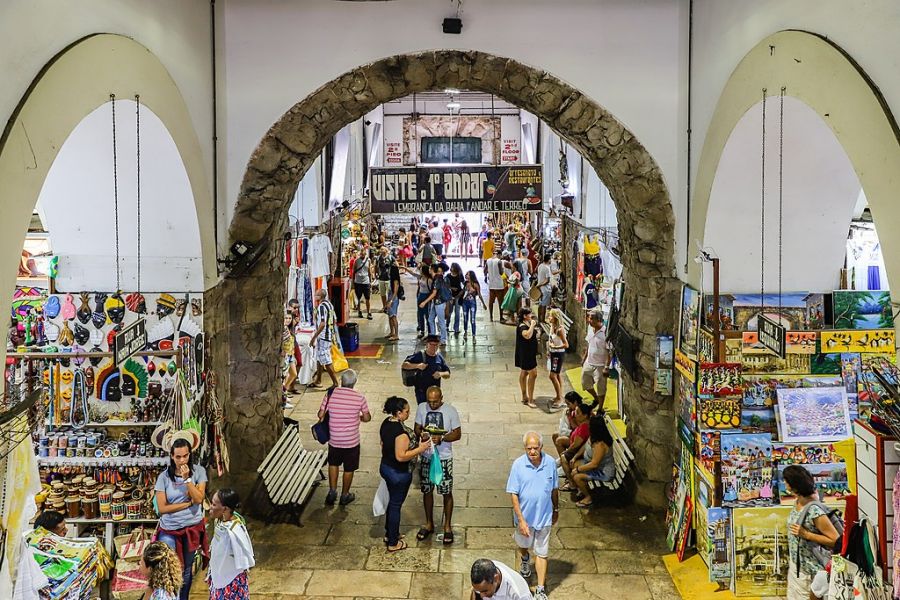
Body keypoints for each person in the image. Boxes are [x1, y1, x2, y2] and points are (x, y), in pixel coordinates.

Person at [506, 431, 559, 600]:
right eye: (529, 448)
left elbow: (554, 489)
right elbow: (514, 494)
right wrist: (521, 520)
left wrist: (556, 509)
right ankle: (525, 557)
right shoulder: (518, 465)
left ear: (541, 447)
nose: (532, 452)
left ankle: (541, 589)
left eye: (535, 448)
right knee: (523, 544)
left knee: (542, 552)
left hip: (544, 516)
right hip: (525, 519)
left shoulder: (550, 463)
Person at [155, 438, 208, 600]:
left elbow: (199, 499)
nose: (182, 460)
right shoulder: (163, 478)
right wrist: (187, 504)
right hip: (169, 530)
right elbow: (162, 508)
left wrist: (187, 480)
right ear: (171, 456)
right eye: (178, 457)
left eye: (185, 456)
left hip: (192, 528)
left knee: (186, 569)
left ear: (190, 455)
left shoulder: (199, 472)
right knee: (171, 568)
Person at [379, 396, 434, 552]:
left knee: (392, 502)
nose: (409, 414)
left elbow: (383, 444)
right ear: (398, 413)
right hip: (399, 473)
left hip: (386, 467)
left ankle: (390, 533)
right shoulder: (401, 433)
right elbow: (401, 456)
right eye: (406, 411)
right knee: (396, 505)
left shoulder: (386, 423)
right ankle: (393, 543)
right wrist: (420, 448)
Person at [413, 386, 462, 545]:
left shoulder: (451, 411)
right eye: (430, 402)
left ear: (442, 398)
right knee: (427, 490)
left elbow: (457, 433)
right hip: (426, 456)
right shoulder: (421, 408)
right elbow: (416, 427)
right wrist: (422, 434)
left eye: (435, 402)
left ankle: (447, 526)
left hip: (444, 458)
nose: (432, 405)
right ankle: (429, 523)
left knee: (446, 491)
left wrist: (441, 438)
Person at [784, 465, 840, 600]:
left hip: (810, 572)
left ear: (794, 486)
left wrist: (807, 535)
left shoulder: (814, 510)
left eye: (787, 481)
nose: (785, 484)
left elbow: (836, 541)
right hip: (797, 567)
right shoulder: (798, 501)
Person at [318, 369, 371, 506]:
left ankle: (332, 492)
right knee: (349, 468)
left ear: (341, 381)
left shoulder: (330, 394)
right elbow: (367, 418)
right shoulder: (360, 398)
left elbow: (320, 414)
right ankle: (345, 495)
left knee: (333, 464)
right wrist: (358, 416)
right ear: (354, 382)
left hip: (334, 439)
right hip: (351, 441)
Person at [207, 489, 254, 600]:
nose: (210, 507)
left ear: (225, 509)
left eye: (214, 504)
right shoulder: (219, 522)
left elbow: (243, 558)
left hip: (232, 583)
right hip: (218, 579)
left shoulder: (235, 532)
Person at [568, 414, 616, 508]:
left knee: (577, 476)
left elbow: (594, 464)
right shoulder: (594, 436)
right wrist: (575, 456)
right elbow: (586, 446)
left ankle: (588, 498)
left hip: (603, 472)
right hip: (596, 466)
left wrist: (578, 469)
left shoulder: (600, 444)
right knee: (574, 464)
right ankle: (582, 489)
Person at [402, 334, 451, 404]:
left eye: (436, 345)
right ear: (427, 345)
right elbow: (404, 365)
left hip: (435, 392)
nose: (434, 347)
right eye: (431, 345)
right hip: (421, 392)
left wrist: (440, 374)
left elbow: (448, 373)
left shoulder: (439, 357)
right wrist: (417, 365)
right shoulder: (419, 355)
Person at [557, 402, 592, 492]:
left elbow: (577, 444)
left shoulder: (584, 427)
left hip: (581, 451)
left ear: (584, 415)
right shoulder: (584, 423)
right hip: (581, 449)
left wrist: (568, 451)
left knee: (563, 458)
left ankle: (571, 483)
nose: (575, 415)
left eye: (577, 413)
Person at [582, 309, 611, 411]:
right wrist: (584, 358)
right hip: (589, 362)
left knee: (601, 388)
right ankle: (596, 399)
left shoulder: (605, 334)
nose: (589, 320)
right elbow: (588, 345)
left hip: (600, 365)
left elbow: (609, 351)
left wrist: (606, 367)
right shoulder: (590, 330)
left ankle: (600, 408)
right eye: (589, 318)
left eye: (591, 318)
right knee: (585, 383)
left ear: (598, 320)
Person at [309, 289, 339, 389]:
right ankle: (318, 380)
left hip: (323, 337)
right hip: (328, 335)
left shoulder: (322, 307)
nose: (314, 296)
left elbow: (322, 324)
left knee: (326, 360)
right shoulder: (329, 305)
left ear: (320, 297)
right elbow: (334, 320)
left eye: (316, 295)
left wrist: (314, 337)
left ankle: (335, 383)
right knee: (319, 358)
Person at [515, 308, 539, 409]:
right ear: (525, 316)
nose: (532, 315)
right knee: (533, 374)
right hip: (526, 354)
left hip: (529, 352)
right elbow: (527, 336)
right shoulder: (522, 326)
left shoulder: (527, 324)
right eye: (530, 314)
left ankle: (524, 396)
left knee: (524, 372)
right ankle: (530, 399)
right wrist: (533, 325)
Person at [546, 308, 569, 409]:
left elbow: (566, 344)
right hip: (553, 353)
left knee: (552, 376)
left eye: (550, 316)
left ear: (555, 318)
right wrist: (549, 350)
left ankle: (560, 398)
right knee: (557, 374)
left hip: (558, 355)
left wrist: (555, 347)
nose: (549, 318)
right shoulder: (552, 326)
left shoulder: (560, 330)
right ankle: (559, 395)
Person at [424, 263, 450, 345]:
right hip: (435, 303)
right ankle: (433, 337)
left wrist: (424, 302)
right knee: (430, 319)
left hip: (439, 303)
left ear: (432, 269)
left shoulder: (437, 279)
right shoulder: (437, 278)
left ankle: (443, 340)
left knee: (441, 321)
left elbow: (434, 293)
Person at [461, 270, 487, 342]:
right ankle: (465, 331)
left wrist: (483, 304)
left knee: (472, 319)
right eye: (466, 274)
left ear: (471, 276)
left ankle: (473, 335)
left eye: (467, 274)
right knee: (465, 318)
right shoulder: (465, 283)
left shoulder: (475, 284)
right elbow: (463, 292)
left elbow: (479, 294)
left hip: (472, 303)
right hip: (465, 303)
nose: (466, 276)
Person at [281, 311, 298, 410]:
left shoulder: (289, 329)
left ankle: (285, 392)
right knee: (284, 377)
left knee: (293, 374)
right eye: (286, 318)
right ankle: (283, 398)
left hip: (290, 355)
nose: (288, 320)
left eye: (289, 318)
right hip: (285, 356)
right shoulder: (283, 329)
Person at [484, 250, 507, 323]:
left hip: (491, 285)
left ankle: (491, 317)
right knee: (500, 302)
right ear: (499, 255)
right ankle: (501, 318)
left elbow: (485, 271)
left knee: (491, 302)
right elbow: (501, 272)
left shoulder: (488, 261)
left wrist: (487, 276)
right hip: (499, 285)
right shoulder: (499, 261)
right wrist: (505, 277)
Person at [352, 248, 373, 320]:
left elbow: (369, 271)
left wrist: (370, 281)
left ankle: (369, 312)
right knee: (358, 298)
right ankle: (359, 311)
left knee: (367, 298)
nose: (362, 255)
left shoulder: (368, 260)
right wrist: (352, 282)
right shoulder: (356, 261)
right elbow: (354, 272)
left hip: (366, 281)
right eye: (361, 254)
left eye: (364, 254)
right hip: (358, 282)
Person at [386, 256, 404, 341]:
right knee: (390, 316)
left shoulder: (395, 280)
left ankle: (396, 334)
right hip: (390, 297)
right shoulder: (391, 279)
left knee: (393, 316)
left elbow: (395, 292)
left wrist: (391, 301)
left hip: (394, 299)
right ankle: (391, 332)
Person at [446, 262, 465, 335]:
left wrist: (462, 292)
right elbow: (445, 285)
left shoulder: (460, 276)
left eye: (452, 267)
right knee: (449, 312)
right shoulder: (448, 276)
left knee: (457, 312)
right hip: (450, 296)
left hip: (458, 295)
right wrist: (451, 288)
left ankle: (456, 328)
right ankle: (447, 325)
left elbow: (464, 285)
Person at [416, 263, 434, 338]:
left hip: (426, 297)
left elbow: (431, 290)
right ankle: (422, 330)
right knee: (420, 314)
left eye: (421, 270)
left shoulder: (429, 280)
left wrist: (428, 299)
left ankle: (430, 332)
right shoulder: (421, 278)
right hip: (420, 296)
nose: (420, 271)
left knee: (427, 314)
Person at [536, 253, 553, 324]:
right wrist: (540, 285)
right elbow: (547, 280)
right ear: (548, 260)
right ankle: (542, 320)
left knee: (540, 304)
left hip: (540, 289)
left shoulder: (540, 266)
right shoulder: (547, 268)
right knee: (544, 305)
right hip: (545, 289)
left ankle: (539, 319)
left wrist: (539, 285)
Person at [376, 246, 394, 313]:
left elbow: (396, 265)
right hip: (381, 278)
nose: (381, 250)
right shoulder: (378, 258)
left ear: (386, 250)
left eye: (382, 249)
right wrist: (375, 274)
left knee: (389, 294)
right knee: (382, 294)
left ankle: (388, 306)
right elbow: (376, 266)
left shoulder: (390, 257)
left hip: (388, 278)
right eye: (380, 249)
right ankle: (384, 307)